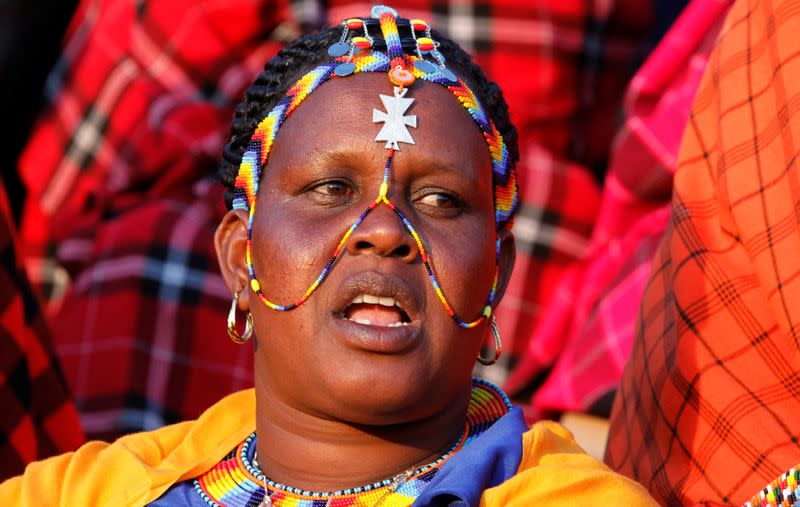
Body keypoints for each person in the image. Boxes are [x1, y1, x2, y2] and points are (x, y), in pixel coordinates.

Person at [0, 7, 656, 506]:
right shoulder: (85, 490)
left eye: (439, 200)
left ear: (498, 272)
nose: (383, 230)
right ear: (239, 257)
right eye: (331, 189)